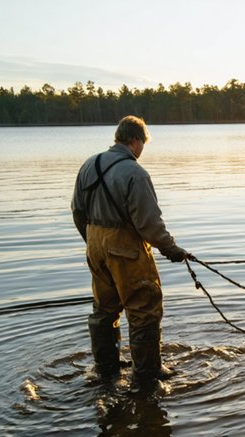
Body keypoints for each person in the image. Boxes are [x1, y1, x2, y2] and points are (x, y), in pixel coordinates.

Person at [71, 115, 190, 386]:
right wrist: (171, 249)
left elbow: (78, 211)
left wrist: (93, 242)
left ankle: (106, 371)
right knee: (144, 308)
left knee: (104, 310)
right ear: (135, 141)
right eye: (143, 143)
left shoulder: (89, 164)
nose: (142, 149)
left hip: (94, 244)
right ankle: (147, 376)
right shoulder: (135, 172)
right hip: (124, 248)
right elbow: (149, 224)